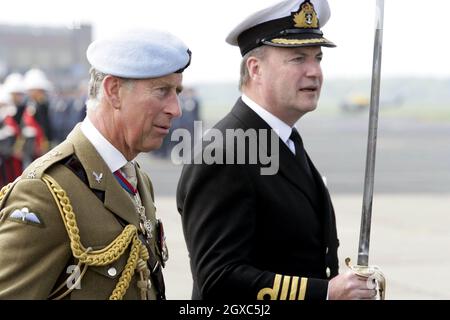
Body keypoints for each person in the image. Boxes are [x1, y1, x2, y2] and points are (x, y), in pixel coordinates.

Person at [177, 0, 379, 300]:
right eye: (298, 59)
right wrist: (326, 293)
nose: (314, 72)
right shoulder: (224, 153)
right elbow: (218, 279)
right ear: (255, 69)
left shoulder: (285, 140)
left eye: (318, 58)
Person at [0, 29, 191, 299]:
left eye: (177, 92)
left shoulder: (135, 178)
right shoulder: (44, 191)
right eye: (162, 91)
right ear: (113, 91)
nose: (176, 109)